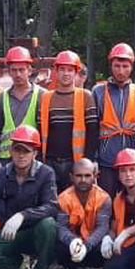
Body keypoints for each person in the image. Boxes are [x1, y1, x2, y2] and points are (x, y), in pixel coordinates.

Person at [0, 124, 60, 269]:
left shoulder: (46, 173)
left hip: (35, 232)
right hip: (9, 234)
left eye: (26, 151)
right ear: (11, 151)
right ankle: (14, 267)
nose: (21, 155)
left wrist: (22, 215)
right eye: (17, 150)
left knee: (48, 225)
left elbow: (52, 206)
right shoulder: (0, 175)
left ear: (34, 153)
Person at [39, 50, 100, 191]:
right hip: (50, 162)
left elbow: (92, 132)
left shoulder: (85, 96)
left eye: (70, 70)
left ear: (76, 72)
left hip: (76, 163)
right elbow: (40, 128)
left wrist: (89, 161)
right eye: (62, 69)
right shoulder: (46, 98)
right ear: (56, 71)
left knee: (75, 203)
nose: (66, 74)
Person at [93, 43, 135, 198]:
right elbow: (93, 127)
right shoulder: (98, 92)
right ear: (111, 66)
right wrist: (94, 158)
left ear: (132, 67)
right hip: (106, 160)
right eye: (117, 66)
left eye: (125, 66)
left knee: (131, 201)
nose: (121, 71)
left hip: (131, 161)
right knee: (106, 200)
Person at [0, 45, 46, 172]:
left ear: (29, 71)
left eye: (21, 70)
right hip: (6, 158)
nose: (17, 74)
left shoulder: (42, 96)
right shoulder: (1, 98)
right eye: (14, 70)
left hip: (32, 158)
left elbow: (46, 131)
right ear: (9, 72)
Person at [54, 157, 112, 269]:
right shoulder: (63, 198)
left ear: (95, 176)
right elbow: (61, 226)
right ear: (71, 177)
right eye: (79, 176)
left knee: (107, 245)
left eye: (87, 175)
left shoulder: (104, 198)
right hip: (73, 247)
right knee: (58, 244)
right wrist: (72, 241)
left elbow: (102, 227)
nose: (83, 180)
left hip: (93, 245)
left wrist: (87, 245)